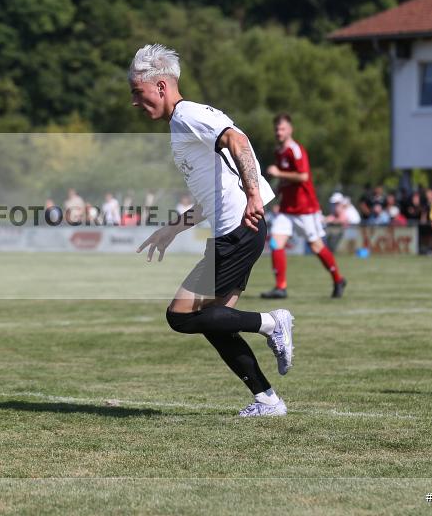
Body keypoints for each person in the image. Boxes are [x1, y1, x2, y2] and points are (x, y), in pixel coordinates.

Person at [129, 44, 292, 418]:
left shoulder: (188, 115)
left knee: (181, 316)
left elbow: (238, 140)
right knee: (215, 322)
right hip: (232, 231)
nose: (136, 103)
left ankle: (271, 322)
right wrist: (173, 228)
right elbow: (211, 194)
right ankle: (267, 399)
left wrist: (253, 194)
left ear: (162, 87)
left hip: (238, 230)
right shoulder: (179, 124)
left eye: (138, 93)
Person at [261, 113, 347, 299]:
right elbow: (285, 181)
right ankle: (280, 287)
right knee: (276, 242)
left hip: (305, 209)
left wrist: (279, 173)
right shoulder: (279, 152)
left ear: (290, 129)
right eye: (276, 129)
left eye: (282, 128)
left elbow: (303, 176)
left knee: (316, 247)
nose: (279, 132)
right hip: (286, 209)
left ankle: (338, 279)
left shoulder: (295, 150)